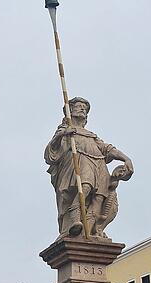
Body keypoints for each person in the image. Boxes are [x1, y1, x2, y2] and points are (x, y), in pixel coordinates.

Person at [44, 97, 134, 238]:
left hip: (99, 166)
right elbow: (51, 153)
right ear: (70, 111)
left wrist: (126, 158)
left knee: (99, 198)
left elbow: (107, 148)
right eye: (79, 106)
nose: (82, 109)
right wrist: (63, 134)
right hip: (80, 164)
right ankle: (74, 218)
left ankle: (88, 230)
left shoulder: (91, 135)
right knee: (85, 187)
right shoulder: (65, 131)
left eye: (84, 108)